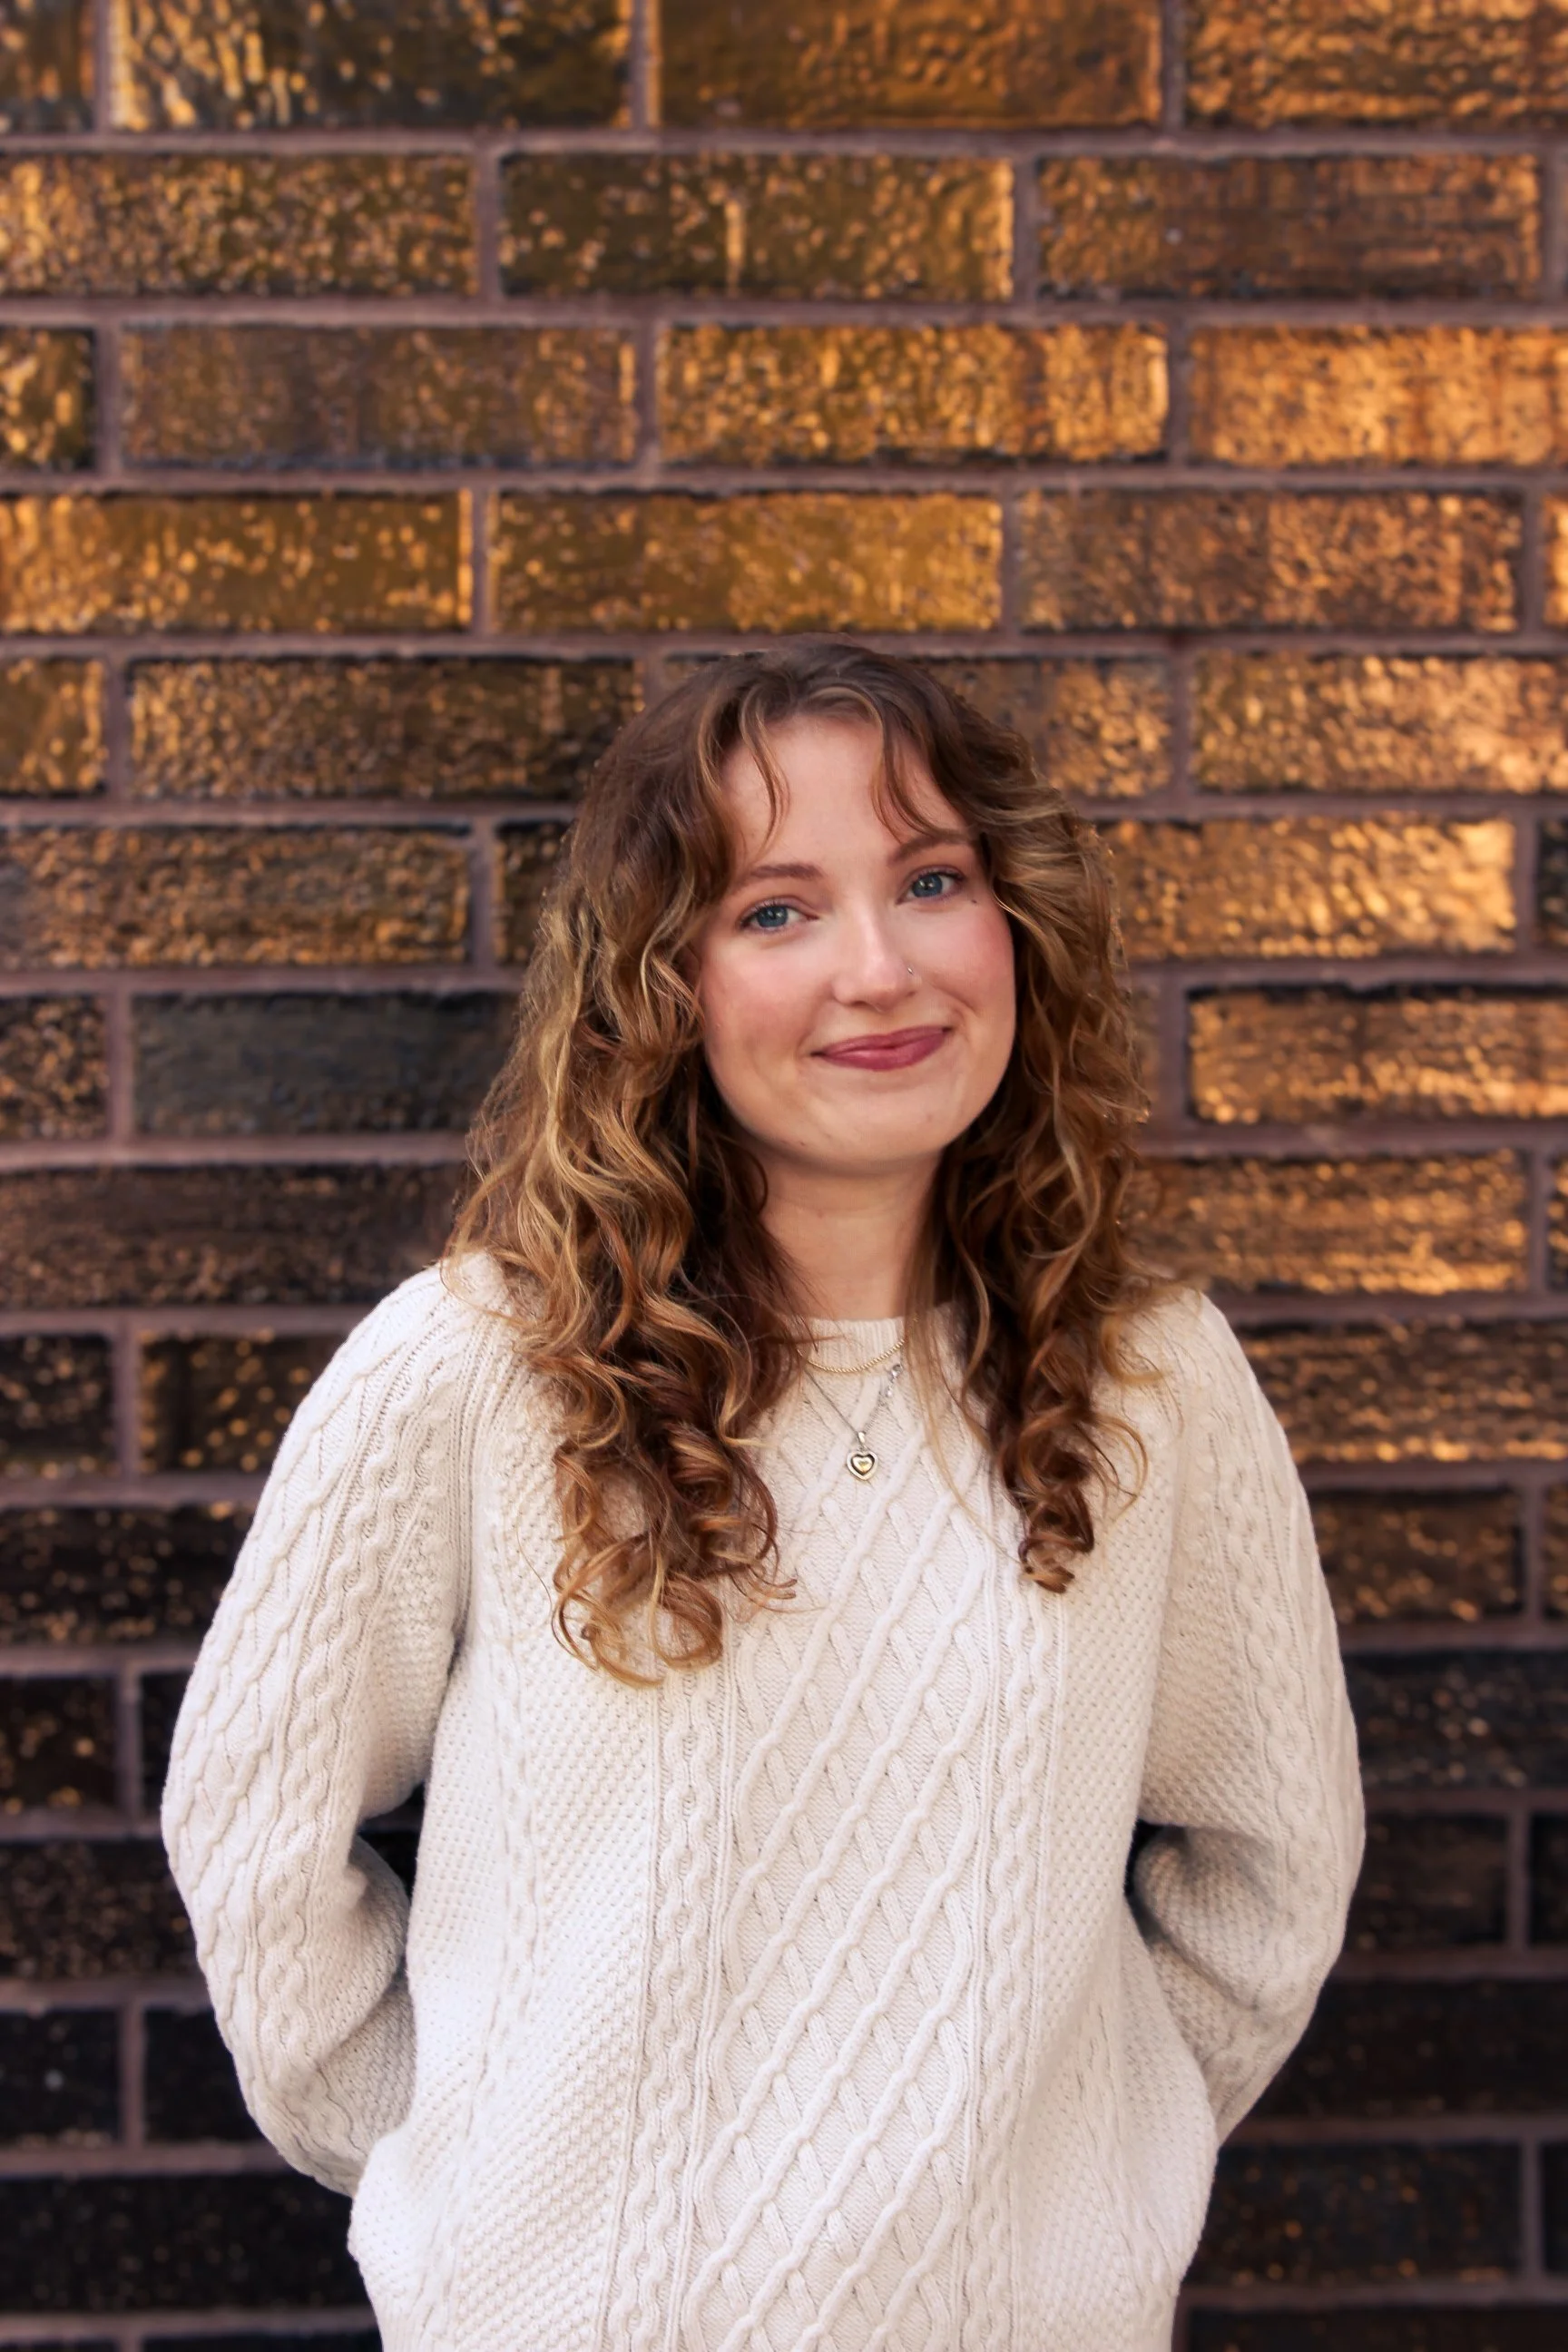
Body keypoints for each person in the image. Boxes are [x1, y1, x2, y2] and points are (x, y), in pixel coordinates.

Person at [163, 639, 1363, 2352]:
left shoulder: (1154, 1384)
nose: (880, 969)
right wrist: (468, 2164)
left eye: (932, 880)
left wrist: (1090, 2175)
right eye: (778, 909)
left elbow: (1270, 1872)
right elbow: (257, 1837)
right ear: (664, 985)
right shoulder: (473, 1371)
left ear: (1012, 923)